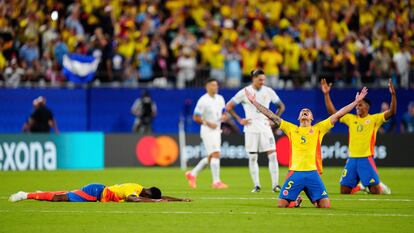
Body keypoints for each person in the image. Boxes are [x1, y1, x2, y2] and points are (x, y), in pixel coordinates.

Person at [244, 86, 368, 208]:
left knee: (325, 205)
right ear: (299, 117)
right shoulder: (291, 129)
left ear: (312, 118)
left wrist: (356, 102)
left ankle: (309, 197)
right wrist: (254, 102)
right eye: (302, 111)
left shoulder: (319, 128)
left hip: (312, 173)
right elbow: (271, 115)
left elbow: (338, 114)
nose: (305, 112)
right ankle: (296, 200)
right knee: (281, 205)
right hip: (295, 173)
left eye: (308, 112)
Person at [321, 78, 396, 194]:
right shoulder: (351, 119)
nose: (357, 107)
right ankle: (361, 187)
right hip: (352, 159)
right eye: (357, 106)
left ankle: (380, 186)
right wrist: (326, 94)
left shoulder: (374, 119)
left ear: (367, 107)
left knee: (375, 191)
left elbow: (391, 112)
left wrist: (393, 95)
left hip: (366, 158)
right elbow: (333, 112)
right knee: (344, 191)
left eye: (360, 105)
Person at [226, 69, 286, 192]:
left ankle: (275, 185)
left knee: (273, 155)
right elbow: (229, 106)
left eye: (264, 80)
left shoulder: (269, 91)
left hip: (265, 127)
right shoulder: (244, 92)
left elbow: (281, 106)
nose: (262, 82)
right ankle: (257, 185)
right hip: (251, 128)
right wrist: (239, 120)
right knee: (253, 157)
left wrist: (274, 120)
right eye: (260, 80)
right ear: (253, 79)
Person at [185, 78, 229, 189]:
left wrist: (224, 116)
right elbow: (195, 117)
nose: (215, 87)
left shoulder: (220, 98)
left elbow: (224, 112)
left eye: (216, 85)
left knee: (211, 156)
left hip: (217, 130)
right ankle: (216, 182)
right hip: (207, 131)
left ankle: (192, 174)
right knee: (216, 154)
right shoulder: (203, 100)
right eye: (213, 85)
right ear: (207, 86)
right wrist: (207, 123)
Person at [9, 183, 191, 203]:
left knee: (67, 194)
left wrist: (180, 199)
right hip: (95, 192)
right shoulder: (133, 190)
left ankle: (41, 193)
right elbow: (133, 200)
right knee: (60, 199)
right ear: (149, 194)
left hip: (98, 191)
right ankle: (25, 195)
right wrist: (155, 203)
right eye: (150, 198)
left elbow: (160, 197)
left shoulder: (140, 188)